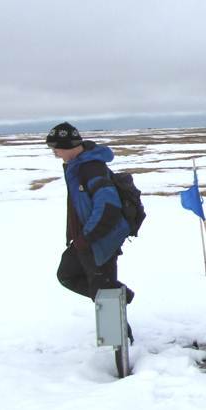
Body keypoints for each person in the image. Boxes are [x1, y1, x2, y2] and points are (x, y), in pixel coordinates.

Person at [48, 122, 134, 339]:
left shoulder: (91, 168)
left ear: (69, 146)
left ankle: (122, 344)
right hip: (84, 239)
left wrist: (88, 237)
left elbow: (108, 207)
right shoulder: (77, 166)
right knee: (67, 274)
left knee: (103, 294)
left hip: (99, 240)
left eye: (56, 148)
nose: (55, 153)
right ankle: (118, 294)